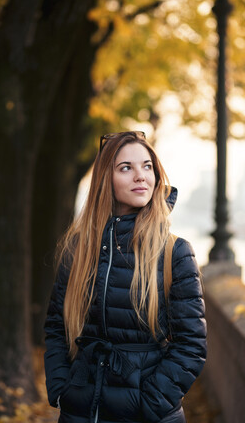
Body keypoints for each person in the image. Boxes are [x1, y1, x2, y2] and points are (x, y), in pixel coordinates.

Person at [44, 131, 207, 423]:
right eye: (126, 168)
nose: (140, 176)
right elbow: (57, 326)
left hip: (148, 413)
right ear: (106, 179)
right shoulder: (78, 249)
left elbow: (191, 345)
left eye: (147, 166)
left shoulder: (174, 251)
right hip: (81, 410)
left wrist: (150, 403)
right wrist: (61, 389)